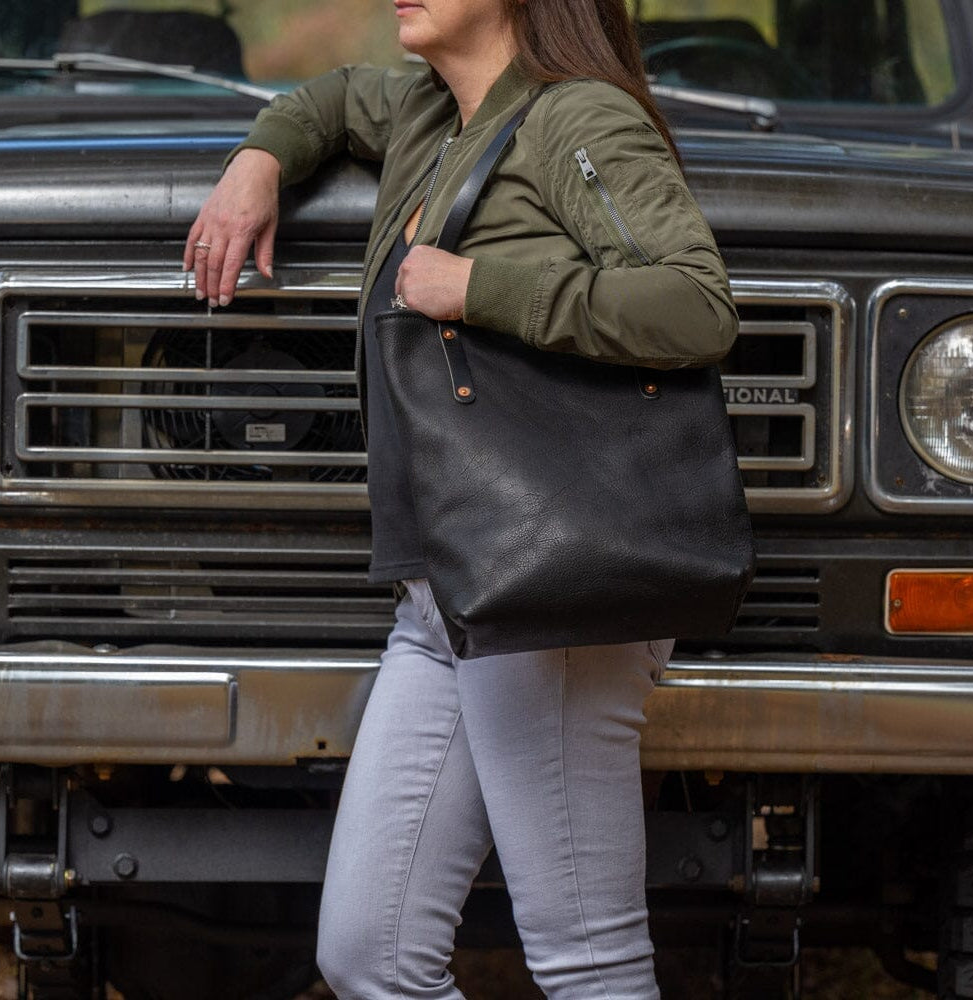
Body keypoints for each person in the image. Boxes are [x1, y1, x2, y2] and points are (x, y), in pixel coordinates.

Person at [185, 1, 738, 996]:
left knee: (588, 959)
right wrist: (256, 162)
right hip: (447, 591)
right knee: (370, 955)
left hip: (550, 593)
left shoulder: (579, 117)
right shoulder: (429, 109)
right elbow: (328, 101)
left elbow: (695, 304)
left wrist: (479, 286)